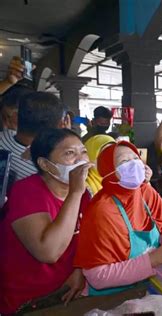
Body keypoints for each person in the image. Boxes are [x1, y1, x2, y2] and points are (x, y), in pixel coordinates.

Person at [74, 141, 162, 295]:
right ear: (110, 171)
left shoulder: (146, 192)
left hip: (149, 284)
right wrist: (153, 259)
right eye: (124, 161)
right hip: (113, 296)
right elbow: (98, 276)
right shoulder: (101, 211)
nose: (134, 164)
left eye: (136, 158)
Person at [0, 128, 93, 314]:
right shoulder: (26, 191)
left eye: (83, 152)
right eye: (70, 154)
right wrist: (75, 193)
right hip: (27, 302)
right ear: (45, 164)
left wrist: (79, 269)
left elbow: (87, 237)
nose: (81, 160)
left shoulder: (83, 194)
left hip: (65, 295)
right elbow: (48, 252)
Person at [0, 92, 69, 183]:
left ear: (16, 117)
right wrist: (67, 138)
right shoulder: (47, 170)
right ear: (61, 125)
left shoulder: (2, 139)